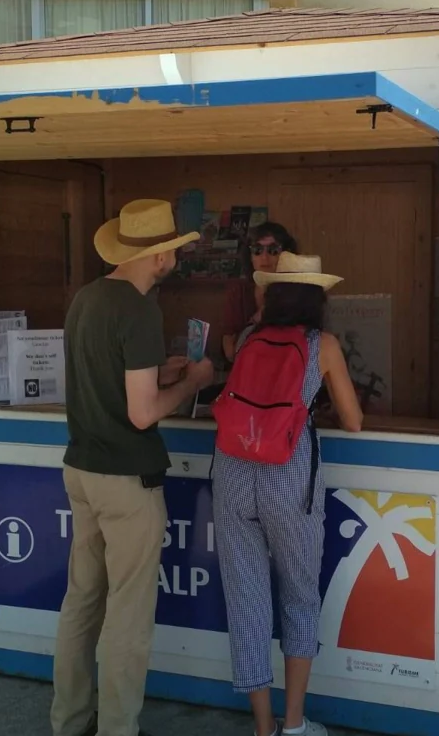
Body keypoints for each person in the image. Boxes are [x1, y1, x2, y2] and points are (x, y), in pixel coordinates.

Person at [52, 198, 215, 736]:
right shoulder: (140, 308)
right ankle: (119, 729)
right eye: (173, 252)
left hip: (82, 470)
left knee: (81, 603)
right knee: (127, 615)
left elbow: (113, 383)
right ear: (162, 257)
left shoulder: (87, 298)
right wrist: (192, 382)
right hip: (128, 480)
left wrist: (161, 372)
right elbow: (142, 414)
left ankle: (69, 721)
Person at [211, 253, 363, 736]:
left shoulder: (249, 339)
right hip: (288, 479)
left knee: (247, 602)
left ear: (271, 294)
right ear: (318, 297)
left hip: (233, 474)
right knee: (299, 598)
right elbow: (355, 420)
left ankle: (263, 727)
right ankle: (294, 725)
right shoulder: (324, 345)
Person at [222, 221, 298, 363]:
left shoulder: (296, 292)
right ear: (249, 256)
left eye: (273, 250)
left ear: (286, 254)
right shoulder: (239, 292)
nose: (264, 257)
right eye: (257, 250)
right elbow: (230, 351)